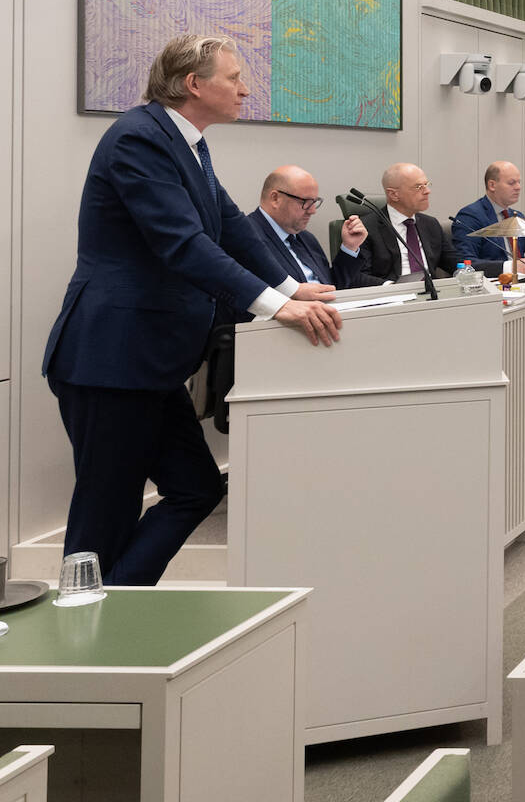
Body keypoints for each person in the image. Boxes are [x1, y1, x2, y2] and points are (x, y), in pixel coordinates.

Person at [43, 35, 341, 586]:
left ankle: (119, 597)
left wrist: (292, 287)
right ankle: (89, 617)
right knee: (106, 511)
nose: (245, 89)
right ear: (193, 84)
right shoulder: (138, 138)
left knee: (196, 487)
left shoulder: (190, 144)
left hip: (151, 364)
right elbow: (182, 244)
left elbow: (228, 225)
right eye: (234, 78)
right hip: (111, 358)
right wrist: (274, 306)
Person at [359, 164, 496, 281]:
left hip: (431, 296)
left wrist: (500, 268)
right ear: (394, 194)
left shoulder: (430, 224)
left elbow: (456, 262)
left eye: (427, 185)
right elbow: (358, 277)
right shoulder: (366, 228)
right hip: (391, 298)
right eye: (418, 187)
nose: (427, 191)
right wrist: (392, 288)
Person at [250, 165, 377, 289]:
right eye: (305, 202)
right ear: (275, 198)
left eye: (314, 202)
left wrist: (349, 247)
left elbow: (332, 286)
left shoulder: (306, 238)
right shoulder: (248, 237)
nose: (312, 211)